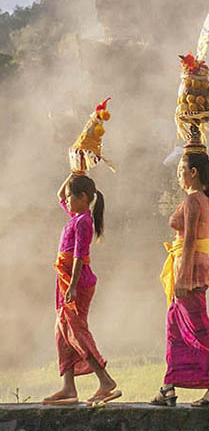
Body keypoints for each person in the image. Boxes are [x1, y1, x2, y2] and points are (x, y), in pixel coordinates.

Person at [151, 150, 209, 407]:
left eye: (181, 170)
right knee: (174, 329)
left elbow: (191, 240)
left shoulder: (195, 200)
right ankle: (168, 387)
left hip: (190, 269)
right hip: (185, 267)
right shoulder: (196, 198)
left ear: (194, 173)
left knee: (197, 329)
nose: (178, 176)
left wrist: (183, 279)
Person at [43, 174, 120, 406]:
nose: (65, 202)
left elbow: (78, 257)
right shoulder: (75, 216)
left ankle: (105, 381)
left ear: (83, 198)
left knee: (76, 331)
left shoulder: (84, 221)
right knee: (62, 332)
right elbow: (59, 195)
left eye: (70, 198)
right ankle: (68, 387)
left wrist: (74, 286)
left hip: (78, 282)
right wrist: (74, 172)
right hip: (65, 280)